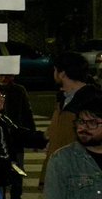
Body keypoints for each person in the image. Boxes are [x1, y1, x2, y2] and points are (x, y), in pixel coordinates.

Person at [43, 51, 100, 187]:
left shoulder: (93, 99)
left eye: (55, 70)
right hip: (59, 167)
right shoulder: (63, 98)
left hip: (82, 173)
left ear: (62, 73)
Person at [0, 72, 37, 199]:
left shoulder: (19, 90)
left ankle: (16, 196)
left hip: (15, 136)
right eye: (0, 75)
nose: (3, 78)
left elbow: (26, 112)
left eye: (6, 75)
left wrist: (32, 135)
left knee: (18, 168)